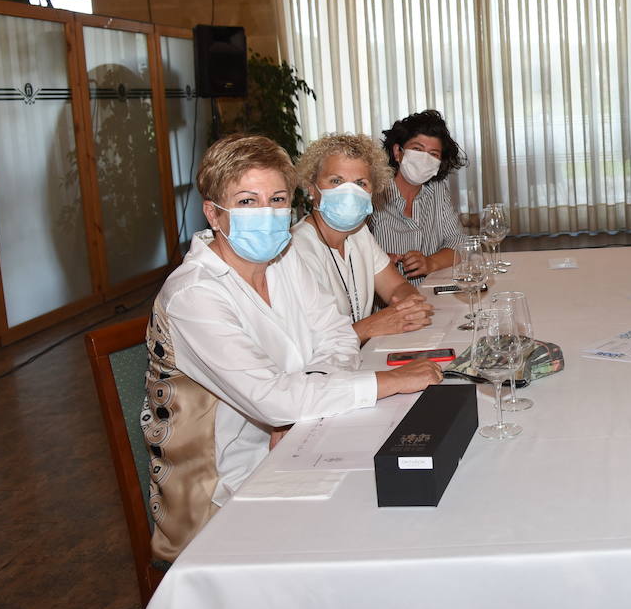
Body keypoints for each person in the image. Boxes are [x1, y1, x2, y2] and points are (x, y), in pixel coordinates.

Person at [141, 134, 443, 561]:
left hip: (301, 441)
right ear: (214, 213)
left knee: (409, 499)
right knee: (369, 533)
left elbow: (337, 337)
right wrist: (385, 382)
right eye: (247, 201)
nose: (266, 213)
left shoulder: (283, 262)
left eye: (277, 198)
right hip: (221, 490)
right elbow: (271, 400)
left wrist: (297, 406)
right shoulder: (194, 296)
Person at [290, 133, 435, 345]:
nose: (349, 192)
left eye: (360, 183)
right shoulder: (296, 249)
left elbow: (396, 287)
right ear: (312, 188)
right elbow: (314, 343)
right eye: (336, 181)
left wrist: (407, 305)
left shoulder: (359, 233)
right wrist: (374, 325)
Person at [371, 110, 468, 283]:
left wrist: (430, 262)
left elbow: (459, 242)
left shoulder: (437, 190)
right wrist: (377, 261)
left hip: (432, 294)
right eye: (417, 149)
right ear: (397, 152)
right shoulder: (374, 194)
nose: (424, 159)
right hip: (388, 301)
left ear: (439, 164)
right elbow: (351, 251)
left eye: (433, 154)